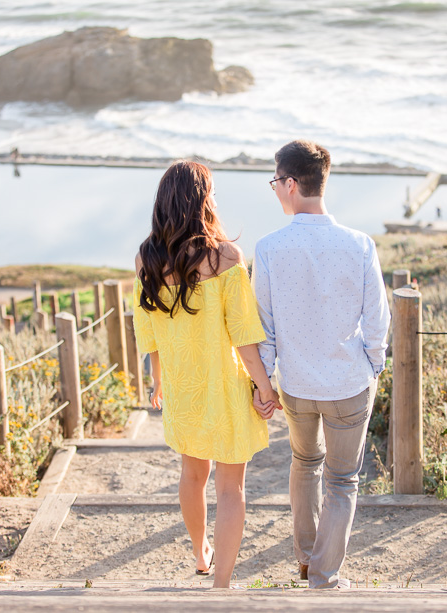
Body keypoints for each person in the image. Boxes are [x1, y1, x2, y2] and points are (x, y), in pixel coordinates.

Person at [251, 140, 391, 589]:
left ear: (291, 185)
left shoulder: (269, 248)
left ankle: (308, 563)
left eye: (275, 181)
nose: (275, 190)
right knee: (343, 480)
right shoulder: (359, 244)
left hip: (296, 386)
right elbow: (378, 321)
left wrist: (264, 385)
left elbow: (264, 328)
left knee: (304, 464)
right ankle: (325, 578)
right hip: (349, 384)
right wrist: (372, 366)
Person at [132, 161, 278, 589]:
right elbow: (245, 335)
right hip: (227, 387)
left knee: (192, 476)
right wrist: (265, 389)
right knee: (230, 489)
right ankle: (222, 586)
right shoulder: (226, 256)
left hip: (182, 386)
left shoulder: (147, 258)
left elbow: (148, 329)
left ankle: (200, 554)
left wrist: (158, 380)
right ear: (204, 199)